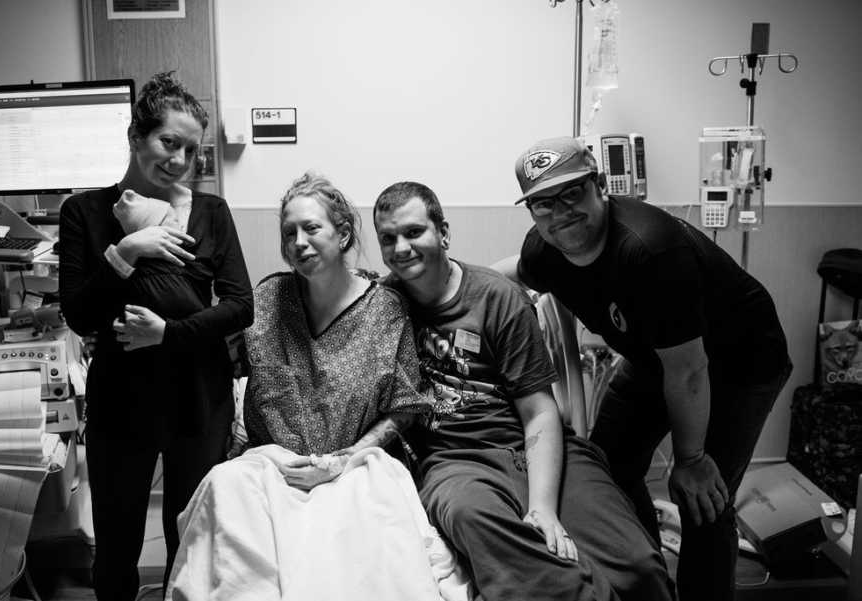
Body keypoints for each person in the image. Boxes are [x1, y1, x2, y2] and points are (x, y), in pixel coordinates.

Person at [499, 136, 792, 601]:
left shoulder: (649, 249)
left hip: (739, 362)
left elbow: (691, 370)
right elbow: (509, 273)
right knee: (609, 469)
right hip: (658, 360)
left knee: (702, 501)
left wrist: (692, 459)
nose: (560, 213)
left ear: (600, 185)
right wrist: (442, 286)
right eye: (543, 203)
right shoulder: (544, 250)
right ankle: (650, 586)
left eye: (572, 193)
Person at [166, 173, 471, 601]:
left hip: (355, 468)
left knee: (355, 554)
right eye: (289, 232)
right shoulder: (269, 299)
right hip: (272, 465)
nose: (299, 242)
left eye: (311, 228)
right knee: (222, 490)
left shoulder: (385, 310)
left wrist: (347, 459)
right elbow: (226, 366)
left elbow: (405, 408)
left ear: (343, 233)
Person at [373, 181, 672, 601]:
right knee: (472, 518)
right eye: (388, 238)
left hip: (532, 446)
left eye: (414, 232)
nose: (401, 248)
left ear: (443, 231)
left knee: (639, 567)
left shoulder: (497, 298)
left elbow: (539, 411)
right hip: (453, 462)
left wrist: (543, 507)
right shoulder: (382, 308)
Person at [59, 71, 254, 601]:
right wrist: (128, 251)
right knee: (118, 543)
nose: (179, 160)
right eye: (169, 142)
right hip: (122, 398)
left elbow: (241, 307)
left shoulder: (211, 212)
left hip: (199, 394)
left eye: (191, 150)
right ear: (136, 136)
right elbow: (79, 315)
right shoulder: (85, 213)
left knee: (190, 538)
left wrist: (168, 333)